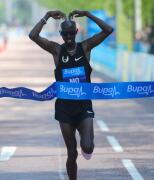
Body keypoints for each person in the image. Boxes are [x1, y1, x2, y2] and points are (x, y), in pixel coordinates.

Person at [28, 10, 113, 180]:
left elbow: (108, 30)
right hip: (64, 109)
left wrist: (88, 14)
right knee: (72, 152)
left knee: (87, 147)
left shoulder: (85, 47)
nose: (68, 37)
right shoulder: (57, 51)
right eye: (64, 34)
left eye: (70, 33)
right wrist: (47, 16)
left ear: (76, 32)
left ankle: (86, 144)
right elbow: (33, 35)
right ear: (61, 34)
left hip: (83, 106)